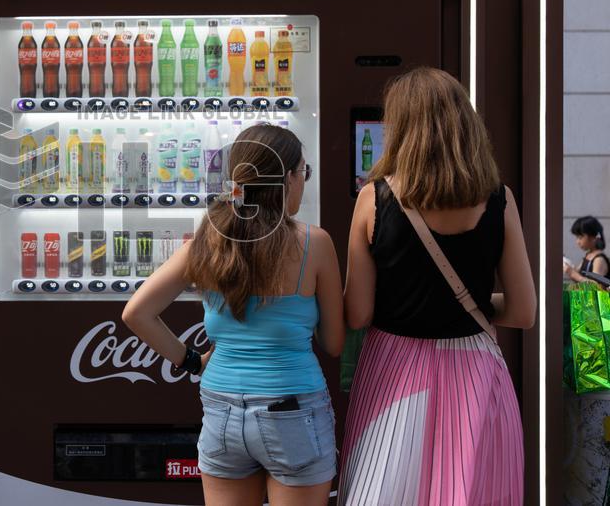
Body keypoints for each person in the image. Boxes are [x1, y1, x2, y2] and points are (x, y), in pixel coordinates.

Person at [339, 67, 536, 504]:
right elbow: (523, 312)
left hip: (394, 369)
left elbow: (358, 313)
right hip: (478, 373)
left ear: (401, 127)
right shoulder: (499, 199)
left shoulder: (374, 199)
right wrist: (472, 303)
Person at [122, 124, 344, 506]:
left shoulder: (209, 239)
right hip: (293, 409)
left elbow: (137, 313)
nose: (303, 182)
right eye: (303, 172)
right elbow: (334, 343)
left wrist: (191, 360)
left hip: (222, 409)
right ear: (287, 178)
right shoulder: (315, 243)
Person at [564, 216, 610, 282]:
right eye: (577, 238)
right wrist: (568, 267)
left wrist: (572, 273)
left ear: (593, 238)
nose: (578, 242)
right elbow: (579, 274)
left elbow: (596, 286)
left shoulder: (599, 260)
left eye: (580, 237)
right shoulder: (588, 255)